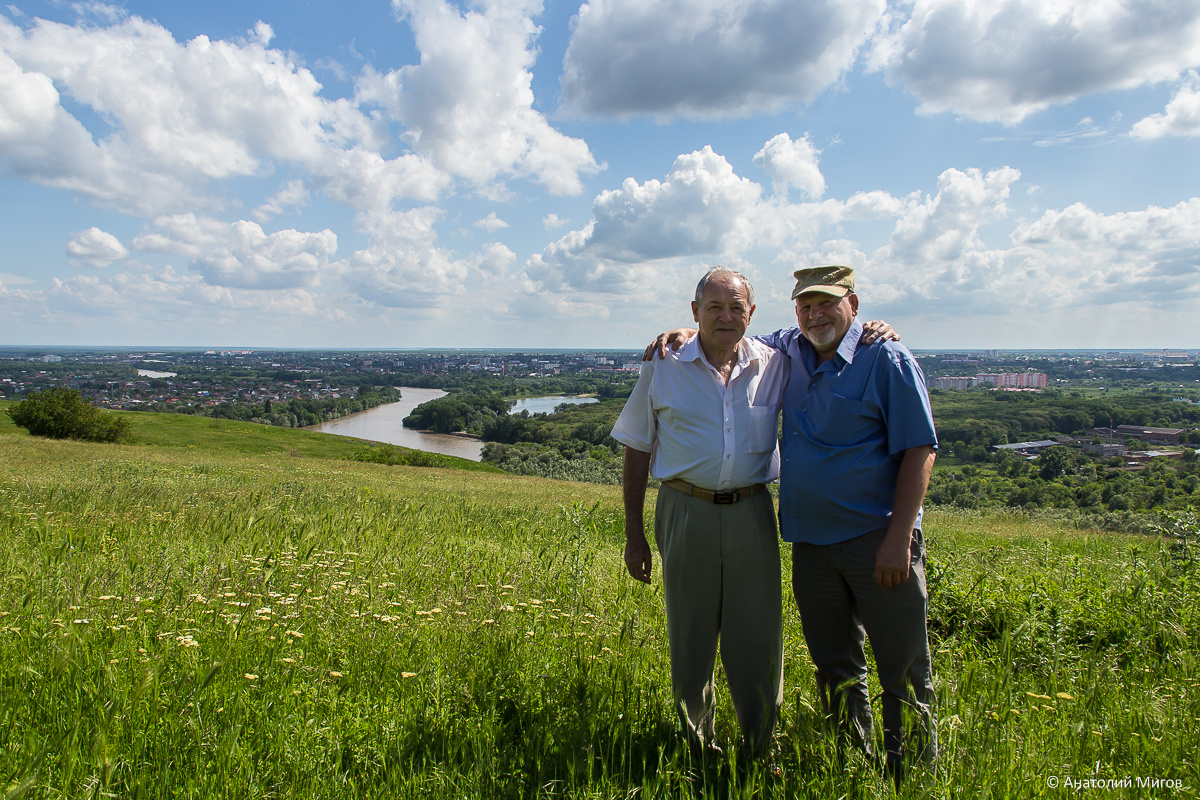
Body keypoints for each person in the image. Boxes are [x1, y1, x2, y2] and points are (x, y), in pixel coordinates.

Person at [647, 265, 936, 783]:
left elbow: (920, 449)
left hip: (877, 540)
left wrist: (899, 538)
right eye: (805, 304)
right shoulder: (791, 349)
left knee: (902, 665)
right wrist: (687, 332)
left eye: (828, 303)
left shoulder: (886, 357)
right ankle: (853, 759)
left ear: (854, 303)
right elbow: (727, 332)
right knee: (835, 664)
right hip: (812, 544)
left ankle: (911, 774)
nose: (815, 314)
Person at [612, 267, 786, 758]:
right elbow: (637, 447)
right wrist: (635, 533)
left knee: (759, 638)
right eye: (713, 307)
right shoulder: (663, 365)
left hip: (752, 512)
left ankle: (760, 746)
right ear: (694, 313)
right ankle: (699, 745)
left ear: (751, 313)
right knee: (690, 634)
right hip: (684, 509)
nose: (726, 316)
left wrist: (873, 330)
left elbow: (824, 337)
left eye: (736, 307)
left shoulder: (775, 364)